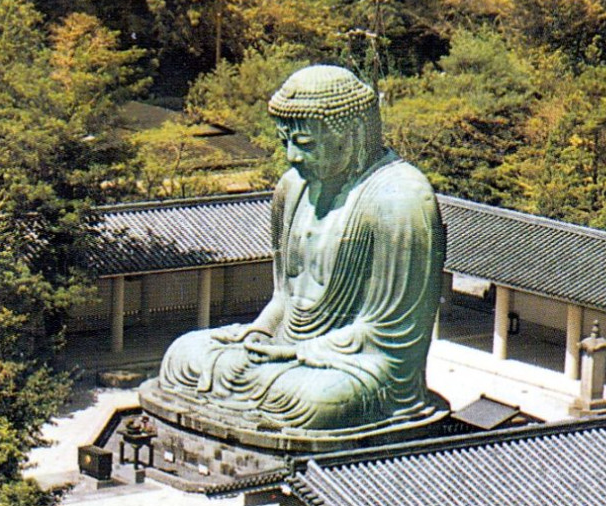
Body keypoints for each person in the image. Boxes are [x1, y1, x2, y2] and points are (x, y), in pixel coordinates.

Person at [152, 64, 445, 437]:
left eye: (305, 144)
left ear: (352, 135)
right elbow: (284, 298)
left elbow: (392, 337)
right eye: (284, 142)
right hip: (287, 352)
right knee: (184, 355)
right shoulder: (292, 189)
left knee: (319, 402)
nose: (292, 156)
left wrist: (299, 353)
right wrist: (260, 332)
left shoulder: (400, 198)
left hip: (352, 365)